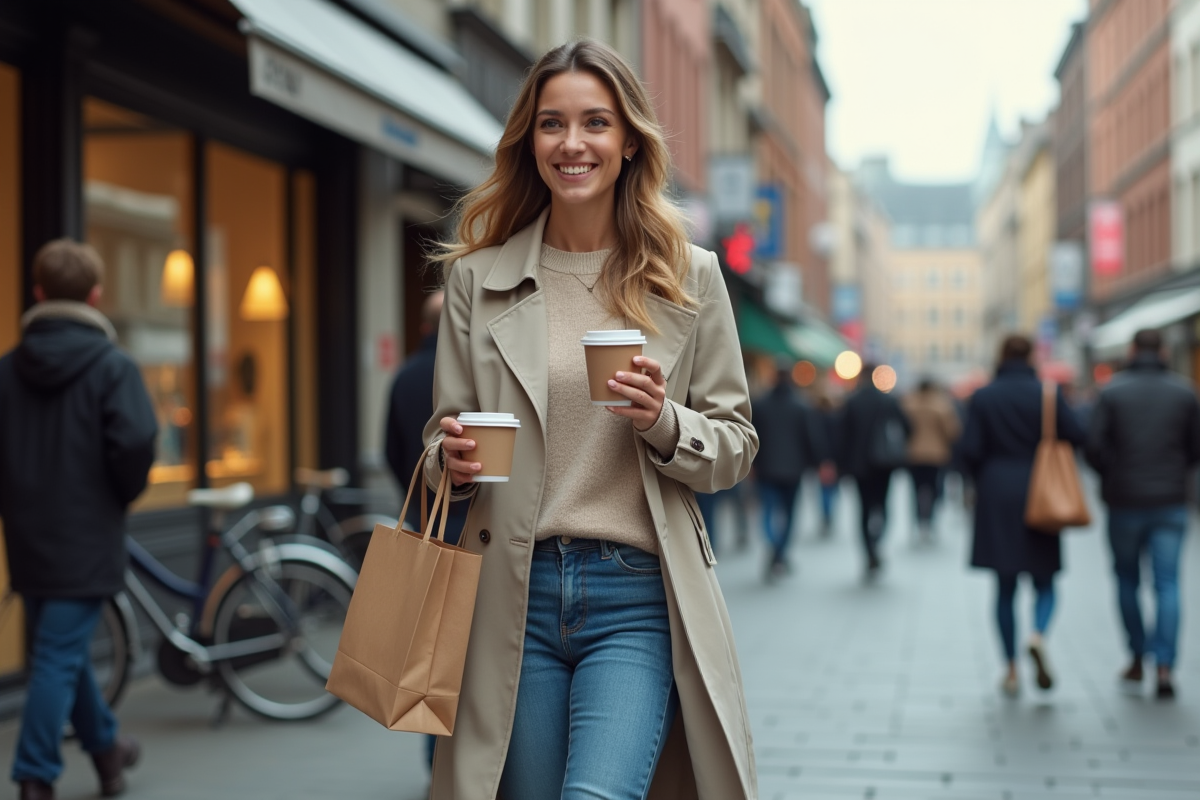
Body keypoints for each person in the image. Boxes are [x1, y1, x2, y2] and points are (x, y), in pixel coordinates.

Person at [421, 39, 759, 799]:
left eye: (595, 122)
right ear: (529, 140)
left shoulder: (689, 274)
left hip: (636, 595)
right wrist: (453, 460)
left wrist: (664, 421)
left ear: (629, 140)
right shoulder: (476, 278)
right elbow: (443, 436)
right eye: (552, 124)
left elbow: (735, 446)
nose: (572, 143)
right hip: (512, 592)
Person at [0, 240, 157, 800]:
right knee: (57, 654)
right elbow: (136, 443)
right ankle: (34, 774)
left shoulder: (7, 370)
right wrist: (117, 495)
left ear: (38, 292)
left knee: (58, 650)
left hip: (27, 536)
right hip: (87, 536)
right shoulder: (114, 367)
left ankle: (107, 751)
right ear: (94, 296)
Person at [960, 334, 1085, 698]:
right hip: (1042, 491)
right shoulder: (1047, 394)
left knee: (1004, 586)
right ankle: (1038, 634)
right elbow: (1078, 434)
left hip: (997, 492)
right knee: (1045, 579)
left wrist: (976, 482)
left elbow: (969, 449)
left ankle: (1011, 668)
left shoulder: (984, 396)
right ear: (1031, 356)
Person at [1085, 329, 1200, 700]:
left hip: (1124, 500)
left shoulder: (1112, 392)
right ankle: (1165, 666)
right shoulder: (1185, 392)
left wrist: (1112, 474)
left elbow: (1093, 446)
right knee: (1168, 584)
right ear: (1163, 351)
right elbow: (1195, 448)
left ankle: (1137, 655)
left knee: (1127, 580)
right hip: (1170, 499)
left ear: (1132, 350)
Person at [381, 289, 467, 767]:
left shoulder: (405, 376)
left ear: (422, 327)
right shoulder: (473, 375)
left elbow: (392, 452)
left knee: (432, 653)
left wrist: (418, 500)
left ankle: (435, 758)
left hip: (425, 523)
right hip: (478, 526)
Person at [751, 361, 826, 580]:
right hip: (794, 470)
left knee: (768, 511)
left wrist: (751, 465)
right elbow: (812, 438)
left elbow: (752, 438)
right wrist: (818, 463)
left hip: (766, 468)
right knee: (790, 514)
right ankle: (780, 552)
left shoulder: (760, 405)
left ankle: (774, 547)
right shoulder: (801, 406)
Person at [839, 362, 911, 579]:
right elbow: (907, 427)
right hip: (883, 464)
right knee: (883, 505)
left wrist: (843, 465)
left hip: (859, 466)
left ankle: (869, 549)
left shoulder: (852, 401)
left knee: (863, 509)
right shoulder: (888, 400)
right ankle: (877, 541)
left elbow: (842, 435)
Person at [902, 378, 961, 541]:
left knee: (916, 489)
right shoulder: (941, 405)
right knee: (934, 489)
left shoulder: (908, 404)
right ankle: (930, 522)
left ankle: (918, 521)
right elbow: (952, 431)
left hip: (913, 454)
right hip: (936, 454)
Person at [814, 393, 842, 538]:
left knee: (824, 490)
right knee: (831, 490)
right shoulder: (835, 419)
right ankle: (828, 515)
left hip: (822, 460)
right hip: (833, 459)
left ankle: (826, 516)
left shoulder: (815, 419)